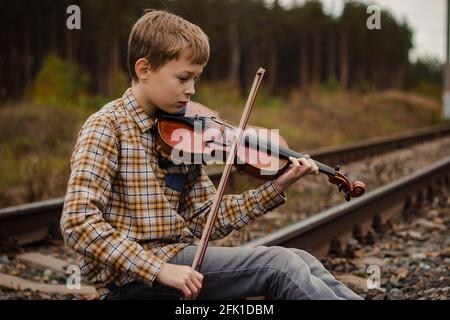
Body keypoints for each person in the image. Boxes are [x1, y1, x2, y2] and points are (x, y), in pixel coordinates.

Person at [60, 9, 362, 300]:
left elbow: (206, 220)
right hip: (130, 281)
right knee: (280, 266)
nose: (191, 90)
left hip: (177, 261)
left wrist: (275, 188)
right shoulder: (106, 127)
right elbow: (78, 222)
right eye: (183, 78)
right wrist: (158, 269)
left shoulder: (181, 132)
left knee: (300, 259)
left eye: (196, 79)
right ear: (144, 69)